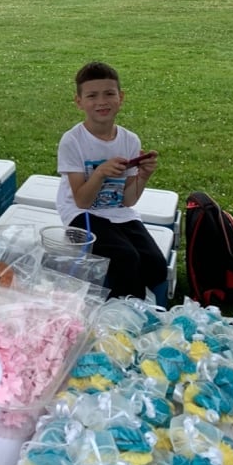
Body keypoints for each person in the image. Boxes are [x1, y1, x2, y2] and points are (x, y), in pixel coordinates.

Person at [56, 61, 167, 299]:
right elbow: (82, 201)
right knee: (125, 258)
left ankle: (133, 300)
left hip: (117, 212)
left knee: (156, 266)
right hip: (81, 213)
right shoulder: (72, 141)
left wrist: (143, 176)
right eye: (92, 95)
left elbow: (128, 201)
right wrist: (99, 173)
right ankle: (126, 317)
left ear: (121, 97)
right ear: (79, 102)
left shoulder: (130, 140)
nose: (101, 102)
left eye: (109, 93)